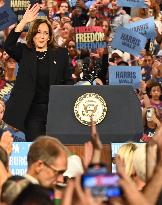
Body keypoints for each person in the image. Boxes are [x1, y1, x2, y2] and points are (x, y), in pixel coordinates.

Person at [3, 3, 72, 141]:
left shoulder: (61, 54)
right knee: (36, 148)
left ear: (49, 36)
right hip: (32, 111)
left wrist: (65, 105)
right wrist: (23, 21)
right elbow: (8, 45)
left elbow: (68, 80)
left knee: (54, 149)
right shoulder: (25, 52)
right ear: (32, 34)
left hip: (55, 110)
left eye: (46, 33)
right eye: (38, 32)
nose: (42, 36)